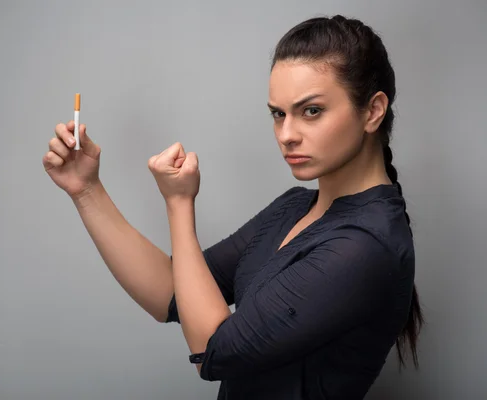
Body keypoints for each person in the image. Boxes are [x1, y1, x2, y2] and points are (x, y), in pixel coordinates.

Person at [43, 14, 424, 400]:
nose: (287, 135)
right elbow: (171, 293)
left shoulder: (366, 245)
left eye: (311, 111)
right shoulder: (295, 207)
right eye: (278, 114)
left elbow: (212, 352)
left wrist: (179, 204)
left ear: (373, 111)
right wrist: (86, 189)